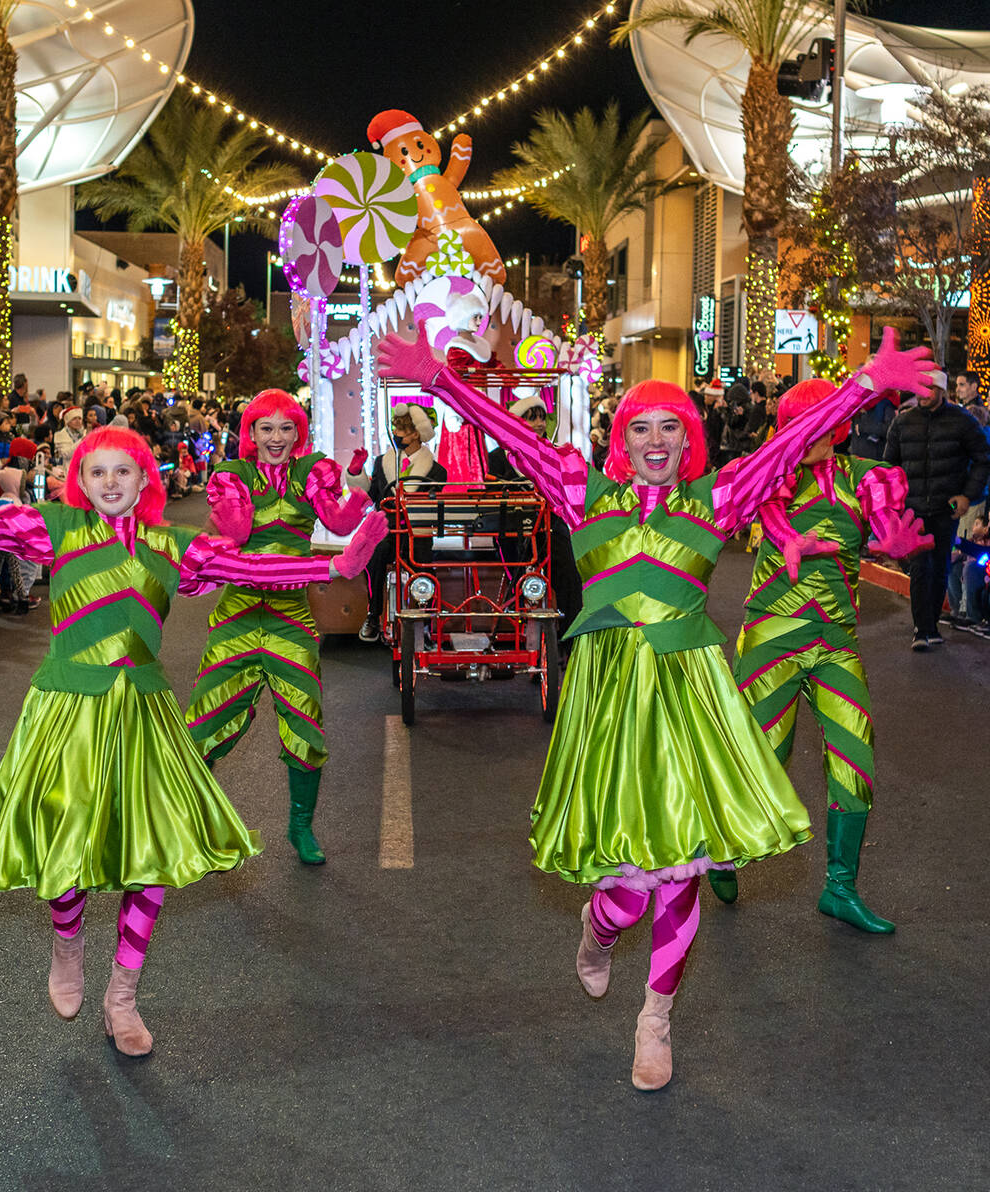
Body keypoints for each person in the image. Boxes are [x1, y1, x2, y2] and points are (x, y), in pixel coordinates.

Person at [377, 325, 934, 1091]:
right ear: (621, 441)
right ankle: (597, 931)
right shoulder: (582, 492)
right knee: (626, 892)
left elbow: (793, 440)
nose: (656, 439)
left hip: (690, 694)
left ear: (690, 438)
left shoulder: (718, 499)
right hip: (608, 700)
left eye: (672, 425)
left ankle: (655, 1019)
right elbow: (508, 428)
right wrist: (439, 379)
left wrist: (864, 385)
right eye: (641, 426)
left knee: (679, 871)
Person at [0, 427, 386, 1057]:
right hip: (66, 708)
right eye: (97, 472)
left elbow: (253, 565)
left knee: (154, 851)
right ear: (81, 481)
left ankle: (123, 998)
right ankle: (67, 942)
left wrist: (334, 565)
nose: (111, 482)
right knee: (65, 837)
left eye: (124, 471)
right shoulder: (53, 527)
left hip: (144, 714)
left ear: (146, 480)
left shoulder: (176, 545)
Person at [708, 379, 932, 932]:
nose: (810, 435)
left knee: (856, 762)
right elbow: (761, 514)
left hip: (836, 641)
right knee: (762, 757)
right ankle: (722, 851)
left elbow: (883, 530)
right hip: (771, 637)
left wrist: (892, 548)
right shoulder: (772, 476)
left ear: (839, 425)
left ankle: (839, 887)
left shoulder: (866, 478)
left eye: (820, 422)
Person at [185, 390, 373, 865]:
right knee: (206, 717)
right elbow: (235, 535)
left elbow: (342, 520)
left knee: (306, 723)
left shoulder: (312, 472)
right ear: (250, 432)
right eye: (265, 428)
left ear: (298, 433)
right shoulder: (233, 475)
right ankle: (188, 817)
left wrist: (353, 481)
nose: (276, 437)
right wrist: (242, 491)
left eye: (286, 428)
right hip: (240, 612)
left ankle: (300, 827)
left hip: (292, 614)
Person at [884, 367, 990, 650]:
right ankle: (922, 629)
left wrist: (968, 494)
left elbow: (983, 458)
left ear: (942, 390)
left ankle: (930, 625)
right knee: (920, 565)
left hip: (946, 508)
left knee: (941, 564)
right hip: (913, 507)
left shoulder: (963, 421)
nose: (922, 394)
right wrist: (893, 502)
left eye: (928, 388)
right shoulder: (902, 423)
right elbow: (888, 466)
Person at [347, 403, 448, 642]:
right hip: (386, 527)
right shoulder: (383, 462)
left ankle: (425, 617)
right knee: (376, 553)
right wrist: (355, 473)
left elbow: (434, 507)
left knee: (423, 560)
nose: (396, 434)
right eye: (395, 428)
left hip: (417, 530)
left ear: (416, 434)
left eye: (401, 430)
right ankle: (373, 614)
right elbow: (370, 496)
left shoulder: (437, 471)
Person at [486, 396, 581, 647]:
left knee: (568, 567)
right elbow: (489, 490)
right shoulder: (497, 457)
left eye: (542, 417)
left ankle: (571, 633)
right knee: (514, 557)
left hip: (548, 522)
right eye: (532, 418)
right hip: (512, 524)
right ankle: (516, 612)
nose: (540, 423)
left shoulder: (553, 454)